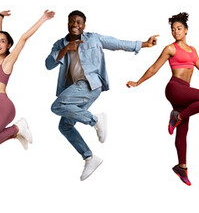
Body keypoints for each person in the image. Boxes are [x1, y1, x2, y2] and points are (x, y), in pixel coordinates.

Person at [45, 10, 158, 181]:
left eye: (79, 22)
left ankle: (94, 120)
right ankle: (89, 158)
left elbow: (117, 43)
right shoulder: (60, 44)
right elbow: (48, 64)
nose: (75, 25)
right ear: (67, 23)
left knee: (57, 106)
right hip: (75, 90)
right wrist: (65, 49)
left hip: (91, 83)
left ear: (84, 25)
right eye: (72, 22)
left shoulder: (94, 38)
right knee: (65, 126)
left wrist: (144, 44)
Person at [125, 12, 199, 186]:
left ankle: (182, 167)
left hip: (185, 92)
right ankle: (176, 117)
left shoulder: (193, 51)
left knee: (183, 131)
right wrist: (137, 82)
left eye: (179, 28)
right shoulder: (170, 48)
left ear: (186, 30)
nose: (176, 32)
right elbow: (154, 67)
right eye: (173, 29)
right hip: (174, 88)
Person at [0, 10, 54, 152]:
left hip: (4, 108)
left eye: (2, 42)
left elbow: (23, 38)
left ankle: (18, 127)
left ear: (9, 45)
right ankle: (16, 133)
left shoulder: (7, 62)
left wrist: (43, 18)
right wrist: (0, 16)